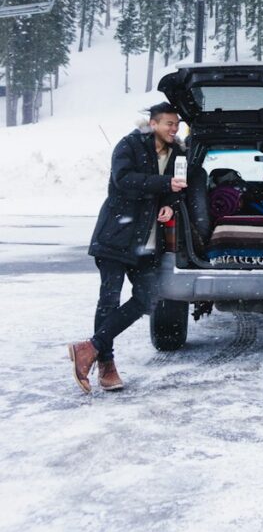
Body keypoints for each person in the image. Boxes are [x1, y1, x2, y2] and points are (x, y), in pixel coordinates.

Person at [67, 103, 187, 393]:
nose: (174, 129)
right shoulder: (130, 145)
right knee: (108, 299)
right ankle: (106, 363)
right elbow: (124, 181)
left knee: (146, 299)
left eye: (177, 124)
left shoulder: (178, 154)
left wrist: (170, 206)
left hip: (147, 243)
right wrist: (164, 183)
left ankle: (90, 347)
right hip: (116, 235)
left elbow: (178, 191)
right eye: (169, 124)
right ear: (153, 123)